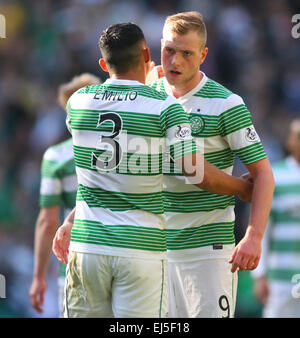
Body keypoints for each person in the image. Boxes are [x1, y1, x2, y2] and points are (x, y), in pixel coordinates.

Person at [52, 22, 253, 318]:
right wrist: (242, 187)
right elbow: (195, 172)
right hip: (141, 247)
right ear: (147, 55)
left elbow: (109, 150)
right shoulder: (165, 107)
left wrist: (69, 220)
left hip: (88, 245)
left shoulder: (78, 103)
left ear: (103, 64)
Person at [148, 11, 275, 317]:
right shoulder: (146, 98)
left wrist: (254, 235)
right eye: (169, 51)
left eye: (186, 53)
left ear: (203, 55)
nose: (175, 61)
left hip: (207, 252)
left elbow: (264, 176)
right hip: (152, 252)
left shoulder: (226, 104)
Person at [29, 73, 101, 316]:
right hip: (125, 255)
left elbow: (47, 222)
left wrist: (39, 276)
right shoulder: (127, 149)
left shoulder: (57, 157)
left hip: (74, 265)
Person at [252, 119, 300, 317]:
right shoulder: (275, 177)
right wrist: (259, 274)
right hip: (280, 278)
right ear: (290, 142)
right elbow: (261, 227)